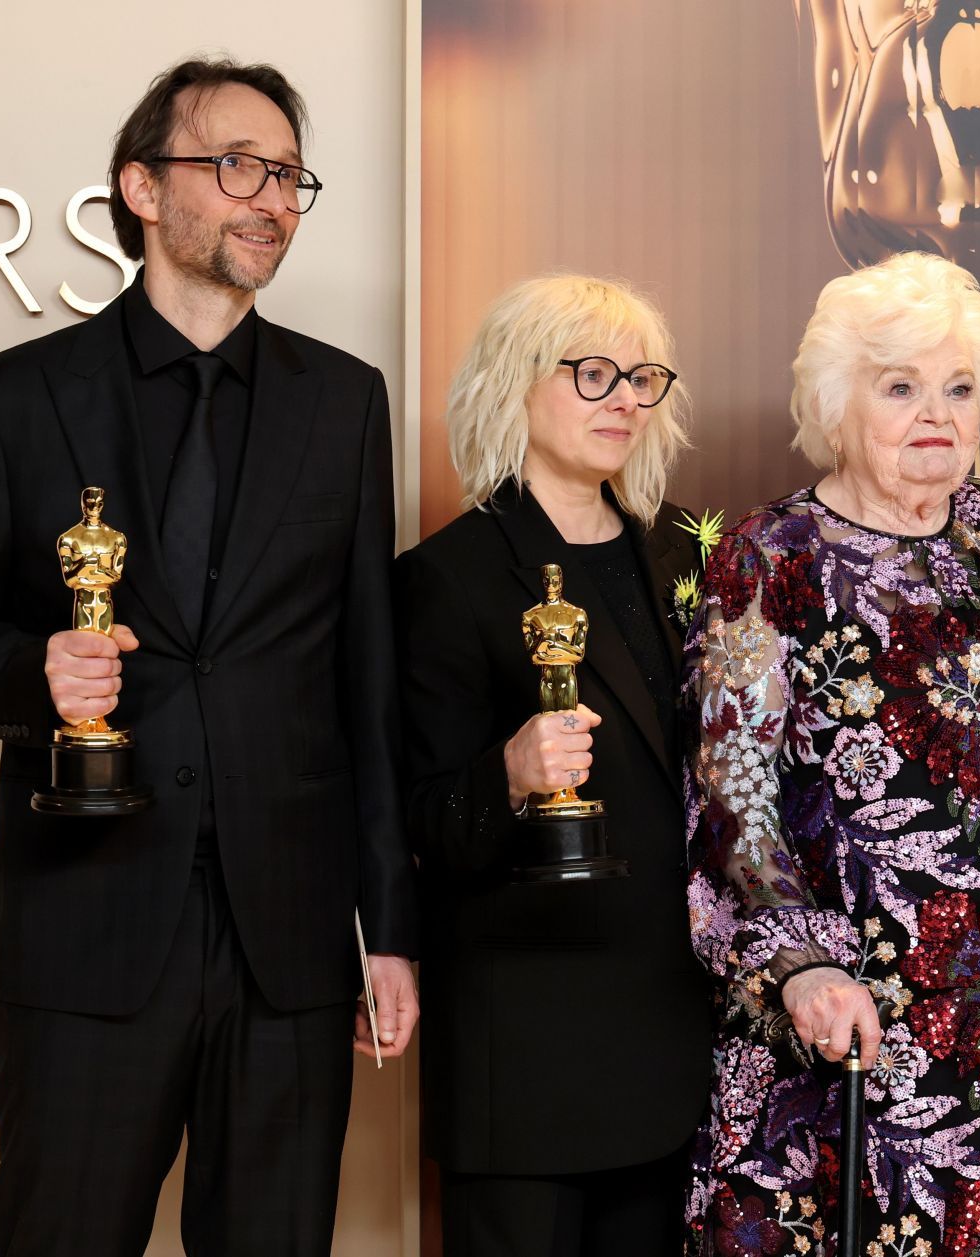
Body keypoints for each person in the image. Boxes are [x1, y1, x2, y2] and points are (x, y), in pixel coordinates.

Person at [0, 58, 417, 1255]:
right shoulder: (12, 399)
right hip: (82, 931)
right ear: (141, 186)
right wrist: (35, 676)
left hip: (289, 947)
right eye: (237, 165)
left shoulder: (345, 405)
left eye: (290, 176)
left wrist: (385, 929)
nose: (272, 199)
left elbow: (368, 688)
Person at [683, 252, 980, 1253]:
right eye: (901, 387)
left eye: (958, 388)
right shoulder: (766, 557)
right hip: (852, 1011)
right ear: (838, 404)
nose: (937, 413)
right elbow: (731, 796)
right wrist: (797, 968)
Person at [396, 275, 713, 1255]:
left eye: (642, 377)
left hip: (671, 1032)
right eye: (591, 373)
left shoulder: (691, 548)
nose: (624, 398)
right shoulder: (444, 579)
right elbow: (416, 822)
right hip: (524, 1047)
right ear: (514, 383)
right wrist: (511, 774)